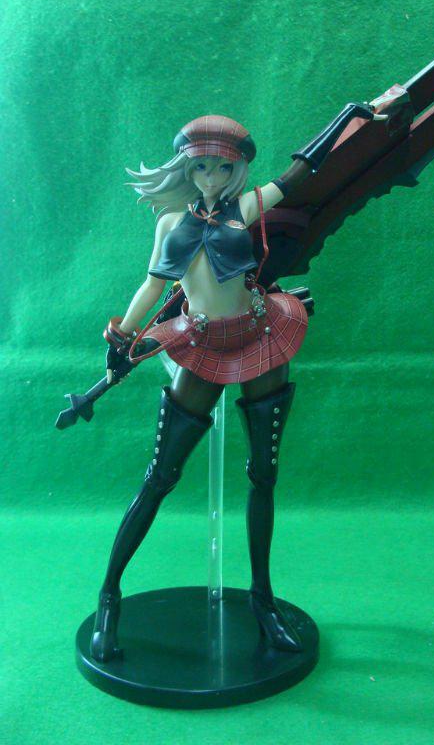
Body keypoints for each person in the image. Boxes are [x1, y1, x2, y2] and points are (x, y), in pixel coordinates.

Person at [91, 102, 388, 663]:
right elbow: (152, 287)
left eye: (223, 167)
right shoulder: (170, 224)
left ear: (237, 170)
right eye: (202, 166)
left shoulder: (246, 208)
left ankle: (262, 600)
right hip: (201, 344)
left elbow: (301, 172)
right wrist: (121, 336)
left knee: (264, 475)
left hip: (261, 335)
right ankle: (109, 596)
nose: (212, 177)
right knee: (159, 477)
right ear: (187, 167)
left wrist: (359, 113)